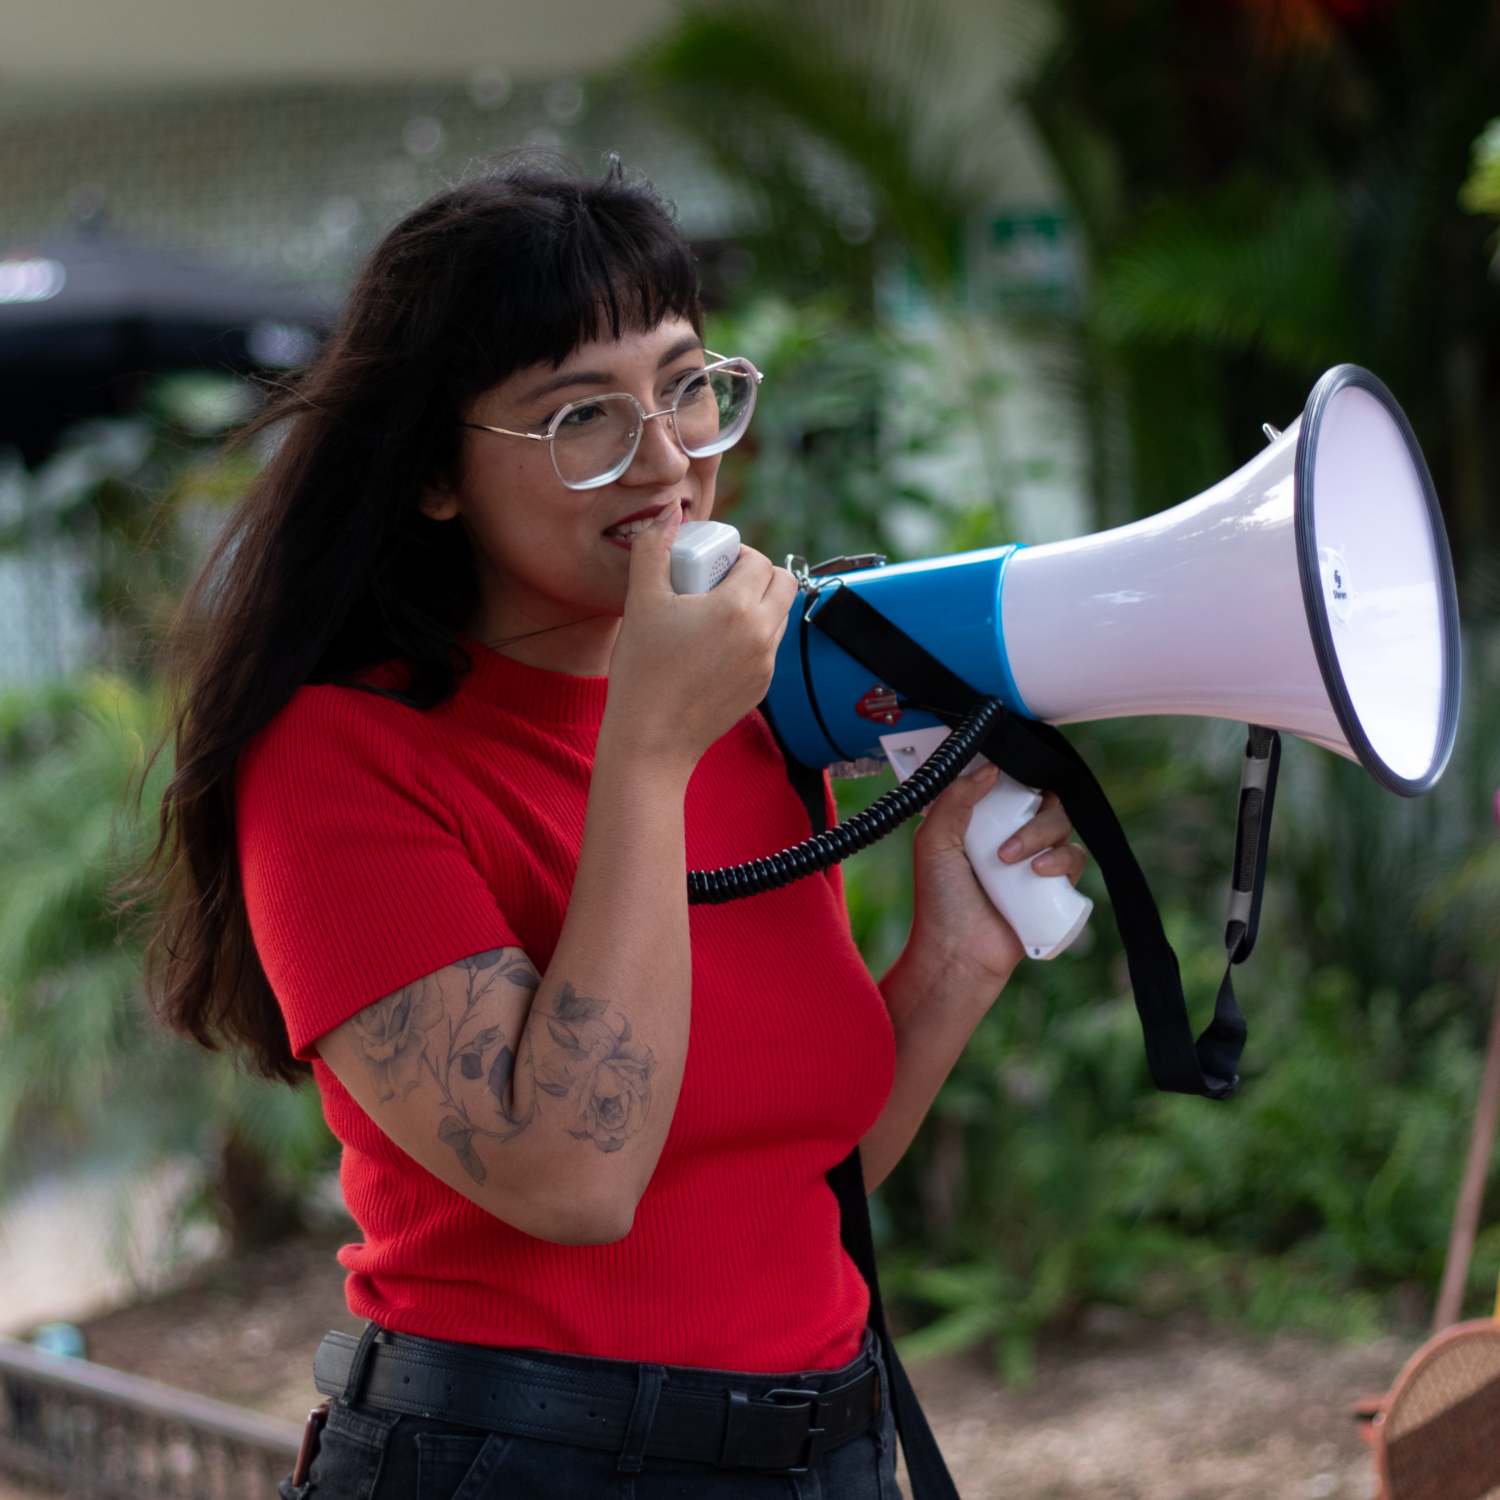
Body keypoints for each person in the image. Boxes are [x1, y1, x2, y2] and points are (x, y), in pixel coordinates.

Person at [145, 158, 1086, 1500]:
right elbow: (574, 1178)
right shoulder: (341, 758)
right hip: (525, 1463)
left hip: (823, 1449)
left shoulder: (746, 716)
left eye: (688, 384)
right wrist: (648, 752)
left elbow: (778, 1185)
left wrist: (952, 965)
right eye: (581, 412)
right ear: (431, 473)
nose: (668, 458)